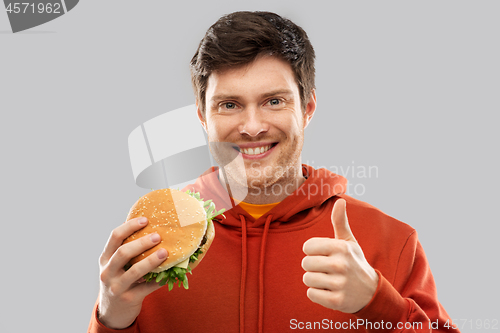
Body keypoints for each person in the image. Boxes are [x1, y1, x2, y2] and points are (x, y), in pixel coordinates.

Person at [88, 11, 459, 333]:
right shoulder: (152, 248)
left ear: (308, 107)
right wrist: (111, 316)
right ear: (203, 117)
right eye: (229, 104)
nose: (252, 126)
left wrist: (380, 306)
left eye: (274, 101)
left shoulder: (389, 241)